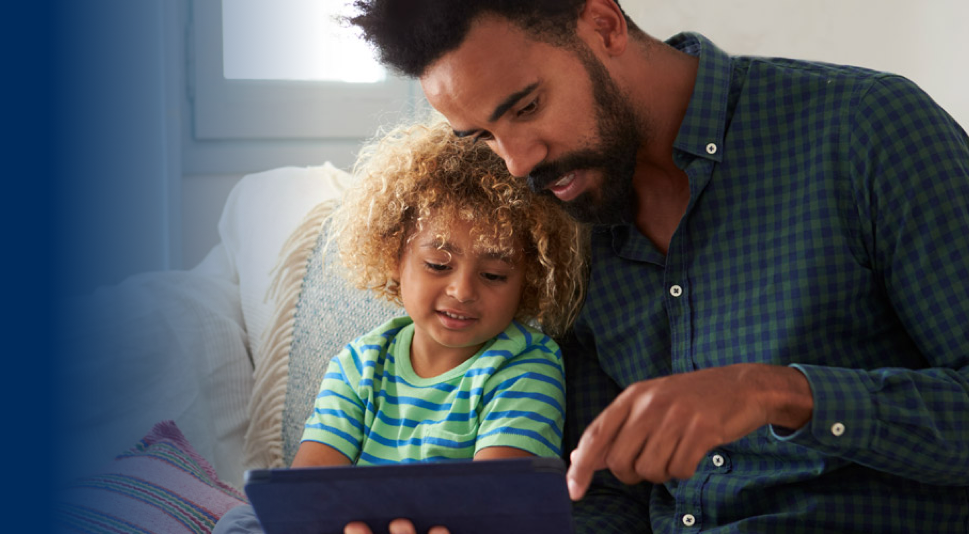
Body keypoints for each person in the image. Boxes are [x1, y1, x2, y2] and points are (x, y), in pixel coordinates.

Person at [343, 0, 969, 532]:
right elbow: (611, 494)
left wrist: (778, 392)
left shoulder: (866, 128)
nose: (516, 163)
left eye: (527, 108)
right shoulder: (560, 227)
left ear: (604, 25)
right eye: (481, 136)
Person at [213, 118, 589, 533]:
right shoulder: (358, 363)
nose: (462, 291)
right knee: (240, 522)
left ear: (529, 279)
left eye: (494, 275)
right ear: (395, 257)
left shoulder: (526, 364)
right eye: (438, 265)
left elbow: (494, 507)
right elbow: (307, 494)